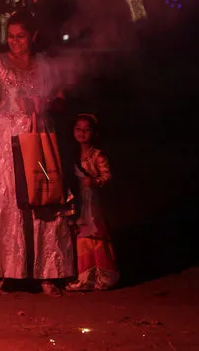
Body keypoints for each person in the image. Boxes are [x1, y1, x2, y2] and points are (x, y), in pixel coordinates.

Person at [0, 10, 75, 297]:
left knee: (43, 201)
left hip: (39, 137)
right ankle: (10, 271)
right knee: (11, 204)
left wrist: (48, 102)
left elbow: (62, 101)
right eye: (11, 36)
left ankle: (48, 272)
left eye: (21, 37)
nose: (15, 42)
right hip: (6, 141)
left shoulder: (45, 65)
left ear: (33, 36)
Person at [66, 113, 119, 291]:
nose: (82, 133)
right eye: (78, 129)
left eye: (87, 130)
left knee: (95, 237)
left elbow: (107, 176)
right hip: (78, 201)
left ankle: (103, 278)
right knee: (80, 237)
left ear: (94, 134)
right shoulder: (71, 155)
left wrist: (95, 181)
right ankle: (84, 277)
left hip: (93, 204)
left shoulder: (98, 155)